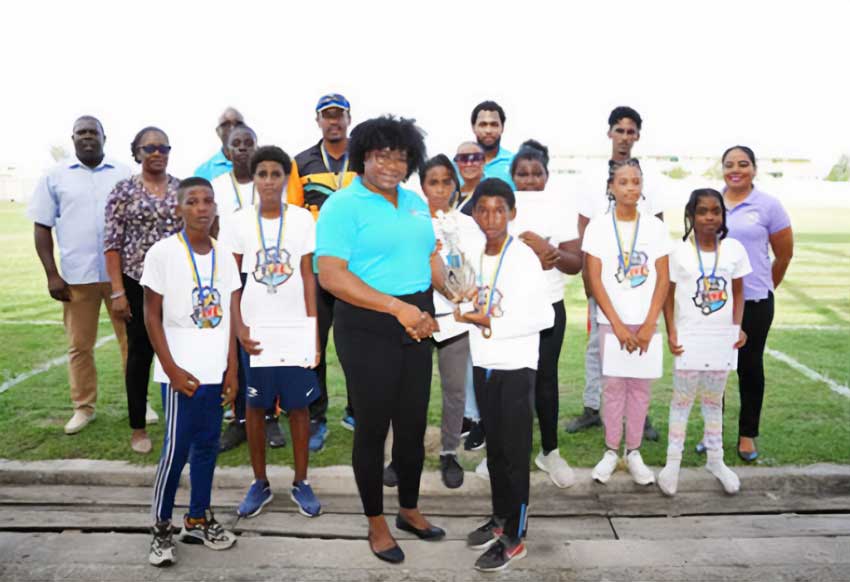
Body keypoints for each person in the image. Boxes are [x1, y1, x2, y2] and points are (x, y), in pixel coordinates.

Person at [316, 115, 444, 564]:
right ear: (363, 155)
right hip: (368, 324)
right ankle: (375, 521)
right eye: (381, 154)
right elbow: (331, 276)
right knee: (372, 429)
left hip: (416, 322)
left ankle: (408, 508)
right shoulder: (342, 206)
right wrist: (397, 308)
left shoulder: (414, 202)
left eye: (400, 156)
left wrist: (455, 288)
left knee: (411, 425)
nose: (391, 164)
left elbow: (428, 256)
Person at [455, 178, 553, 572]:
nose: (492, 217)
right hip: (485, 364)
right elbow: (469, 300)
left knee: (513, 455)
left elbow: (544, 316)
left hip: (515, 366)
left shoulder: (524, 258)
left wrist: (489, 323)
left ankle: (516, 538)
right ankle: (500, 519)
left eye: (500, 209)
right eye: (484, 209)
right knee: (494, 450)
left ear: (512, 213)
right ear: (474, 212)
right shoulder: (475, 254)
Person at [143, 177, 240, 567]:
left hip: (215, 370)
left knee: (206, 447)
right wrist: (169, 367)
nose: (201, 208)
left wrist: (233, 369)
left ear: (216, 207)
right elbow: (151, 315)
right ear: (179, 208)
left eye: (207, 201)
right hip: (180, 374)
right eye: (192, 201)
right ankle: (160, 527)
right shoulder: (163, 253)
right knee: (175, 451)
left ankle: (197, 518)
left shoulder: (224, 254)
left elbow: (231, 318)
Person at [228, 146, 323, 518]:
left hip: (294, 328)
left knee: (298, 408)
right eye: (262, 174)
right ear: (254, 179)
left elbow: (307, 277)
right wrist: (238, 327)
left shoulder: (301, 220)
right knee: (255, 407)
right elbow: (230, 281)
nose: (269, 181)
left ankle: (301, 481)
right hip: (256, 330)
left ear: (286, 178)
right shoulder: (238, 222)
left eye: (276, 174)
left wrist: (313, 331)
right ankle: (260, 482)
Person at [28, 116, 131, 435]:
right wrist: (52, 275)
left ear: (104, 136)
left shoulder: (123, 172)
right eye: (81, 133)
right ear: (72, 138)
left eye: (93, 132)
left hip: (121, 277)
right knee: (79, 345)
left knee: (132, 343)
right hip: (76, 277)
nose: (87, 137)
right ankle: (83, 408)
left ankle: (138, 404)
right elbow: (42, 225)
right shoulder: (54, 176)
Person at [567, 106, 664, 441]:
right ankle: (593, 408)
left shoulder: (652, 178)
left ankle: (640, 414)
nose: (624, 137)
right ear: (609, 133)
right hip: (603, 279)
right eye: (619, 130)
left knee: (642, 341)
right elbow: (582, 229)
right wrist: (587, 279)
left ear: (637, 135)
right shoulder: (591, 177)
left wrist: (652, 284)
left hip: (637, 280)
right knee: (598, 345)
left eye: (630, 131)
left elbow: (659, 230)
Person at [582, 158, 671, 485]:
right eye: (623, 182)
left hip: (646, 323)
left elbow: (663, 278)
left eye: (636, 181)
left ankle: (633, 452)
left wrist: (649, 323)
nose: (631, 187)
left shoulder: (655, 227)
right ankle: (610, 450)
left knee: (640, 390)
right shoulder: (598, 228)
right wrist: (617, 325)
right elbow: (595, 279)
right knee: (614, 387)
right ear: (611, 187)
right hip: (611, 323)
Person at [659, 188, 750, 496]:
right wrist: (671, 330)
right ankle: (673, 463)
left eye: (716, 211)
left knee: (713, 401)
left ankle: (716, 459)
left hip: (720, 340)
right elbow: (667, 297)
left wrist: (737, 327)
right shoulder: (678, 251)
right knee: (682, 401)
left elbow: (738, 292)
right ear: (691, 215)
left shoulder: (734, 249)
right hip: (689, 338)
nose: (710, 217)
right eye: (702, 211)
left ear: (723, 215)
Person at [104, 127, 182, 454]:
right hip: (137, 283)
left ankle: (179, 423)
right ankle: (138, 427)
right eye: (149, 147)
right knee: (140, 354)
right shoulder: (123, 191)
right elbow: (111, 244)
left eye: (163, 147)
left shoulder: (181, 188)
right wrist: (118, 292)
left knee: (179, 350)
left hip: (177, 282)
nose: (157, 153)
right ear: (136, 152)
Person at [509, 140, 582, 488]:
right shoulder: (500, 207)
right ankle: (507, 452)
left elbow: (575, 263)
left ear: (547, 176)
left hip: (550, 305)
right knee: (512, 382)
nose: (529, 180)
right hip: (510, 308)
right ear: (512, 178)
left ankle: (549, 452)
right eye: (522, 174)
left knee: (545, 381)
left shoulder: (560, 208)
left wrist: (547, 249)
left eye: (536, 173)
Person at [287, 93, 358, 452]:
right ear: (318, 121)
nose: (333, 122)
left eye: (338, 115)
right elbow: (293, 217)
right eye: (326, 116)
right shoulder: (301, 162)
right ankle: (316, 415)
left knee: (358, 343)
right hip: (315, 268)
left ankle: (356, 410)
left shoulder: (363, 158)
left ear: (348, 118)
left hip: (357, 269)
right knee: (313, 344)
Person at [212, 125, 287, 453]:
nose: (242, 149)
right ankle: (238, 419)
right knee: (235, 351)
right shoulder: (216, 186)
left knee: (265, 348)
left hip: (265, 274)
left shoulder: (267, 183)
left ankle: (270, 416)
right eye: (236, 144)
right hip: (229, 273)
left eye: (248, 143)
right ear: (226, 151)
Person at [721, 146, 793, 462]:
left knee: (749, 368)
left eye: (743, 164)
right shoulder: (711, 201)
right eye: (729, 165)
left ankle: (747, 435)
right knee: (715, 371)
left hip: (755, 302)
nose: (736, 169)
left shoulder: (768, 205)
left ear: (754, 168)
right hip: (714, 302)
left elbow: (785, 254)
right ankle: (711, 435)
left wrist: (764, 285)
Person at [419, 154, 480, 488]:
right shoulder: (412, 222)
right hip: (418, 316)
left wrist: (462, 294)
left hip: (455, 319)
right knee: (412, 391)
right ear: (423, 185)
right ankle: (405, 453)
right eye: (433, 182)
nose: (440, 189)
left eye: (446, 182)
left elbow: (475, 268)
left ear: (456, 186)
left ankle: (449, 451)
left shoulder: (467, 224)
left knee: (455, 389)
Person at [470, 101, 514, 188]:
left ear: (502, 128)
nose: (488, 131)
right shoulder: (460, 165)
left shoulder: (515, 163)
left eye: (494, 125)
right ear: (473, 127)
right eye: (483, 125)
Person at [194, 107, 245, 182]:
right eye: (226, 125)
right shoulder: (203, 173)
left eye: (238, 124)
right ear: (218, 131)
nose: (232, 128)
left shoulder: (258, 163)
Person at [453, 141, 486, 216]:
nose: (469, 164)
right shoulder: (451, 194)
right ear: (456, 163)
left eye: (475, 158)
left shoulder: (491, 191)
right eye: (463, 159)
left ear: (484, 161)